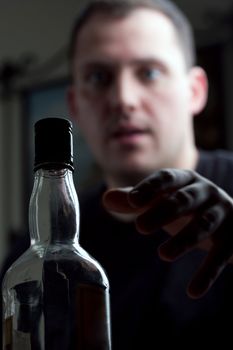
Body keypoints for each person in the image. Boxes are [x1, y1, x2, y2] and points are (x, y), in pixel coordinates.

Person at [1, 0, 233, 348]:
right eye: (99, 77)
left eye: (149, 72)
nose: (124, 99)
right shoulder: (33, 264)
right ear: (75, 105)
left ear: (195, 90)